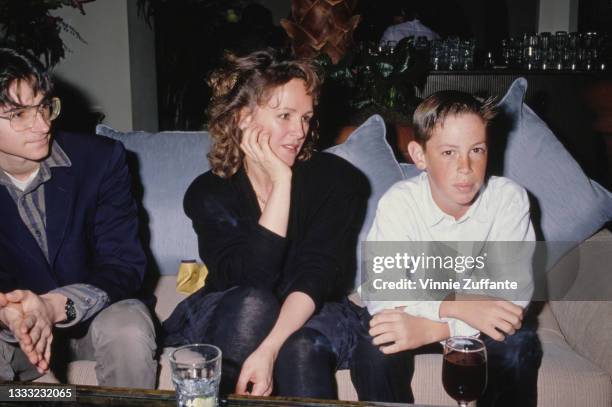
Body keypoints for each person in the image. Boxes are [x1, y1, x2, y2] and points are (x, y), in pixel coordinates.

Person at [162, 48, 413, 402]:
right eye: (285, 115)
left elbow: (316, 274)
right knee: (254, 303)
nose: (299, 131)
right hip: (232, 310)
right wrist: (281, 184)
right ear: (242, 118)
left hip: (312, 307)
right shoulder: (208, 193)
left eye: (307, 118)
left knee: (299, 346)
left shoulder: (337, 181)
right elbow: (249, 283)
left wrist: (270, 348)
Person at [364, 91, 542, 406]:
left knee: (520, 344)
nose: (465, 166)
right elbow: (382, 293)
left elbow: (510, 301)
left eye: (477, 150)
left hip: (474, 324)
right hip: (434, 317)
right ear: (419, 156)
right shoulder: (399, 202)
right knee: (377, 345)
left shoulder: (508, 199)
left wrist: (435, 328)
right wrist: (456, 306)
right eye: (448, 152)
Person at [0, 48, 157, 388]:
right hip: (13, 332)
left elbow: (124, 265)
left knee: (128, 328)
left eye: (44, 106)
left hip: (94, 314)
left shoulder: (99, 161)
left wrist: (52, 307)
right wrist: (9, 313)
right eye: (19, 114)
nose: (42, 124)